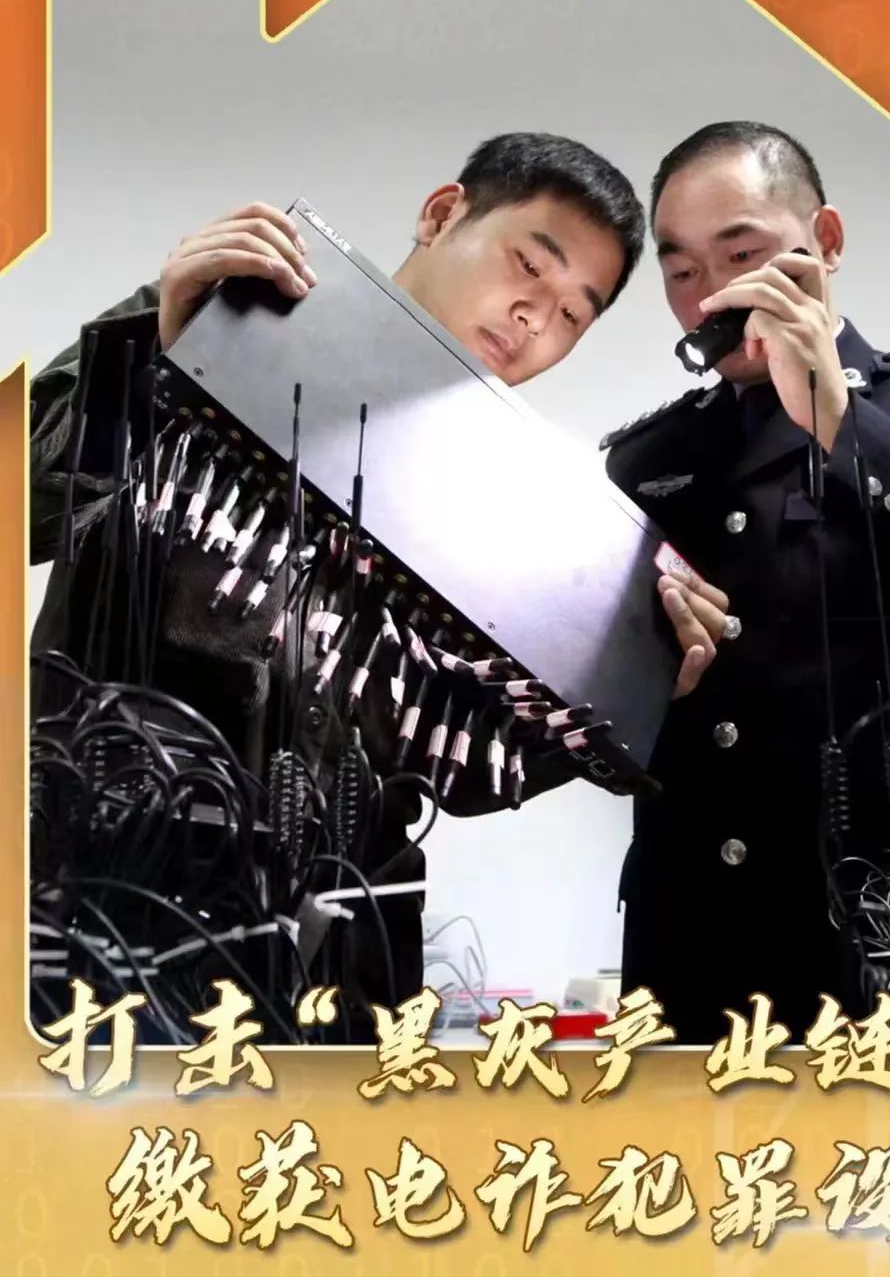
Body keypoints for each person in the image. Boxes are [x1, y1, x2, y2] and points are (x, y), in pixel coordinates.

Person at [28, 131, 727, 1032]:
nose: (534, 318)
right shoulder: (218, 321)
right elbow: (28, 501)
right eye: (528, 265)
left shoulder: (505, 513)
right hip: (108, 899)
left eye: (571, 315)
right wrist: (153, 346)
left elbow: (464, 769)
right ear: (441, 215)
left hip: (340, 958)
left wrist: (626, 693)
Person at [601, 121, 890, 1044]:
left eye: (743, 255)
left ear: (827, 240)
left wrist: (847, 426)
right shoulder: (650, 460)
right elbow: (604, 722)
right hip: (697, 949)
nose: (710, 297)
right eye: (681, 271)